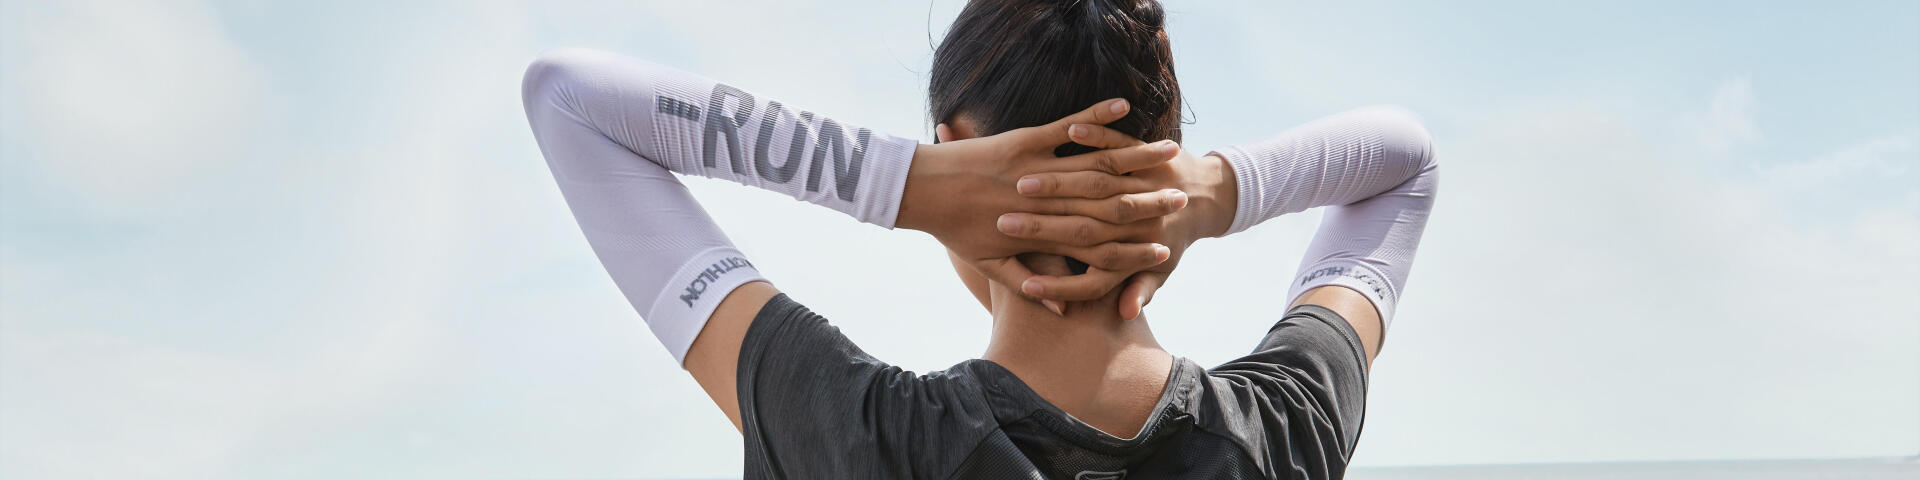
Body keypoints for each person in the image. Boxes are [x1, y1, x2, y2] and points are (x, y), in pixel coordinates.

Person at [519, 0, 1436, 477]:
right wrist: (1217, 192)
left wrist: (905, 184)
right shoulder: (1283, 426)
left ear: (958, 156)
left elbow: (568, 99)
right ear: (1167, 163)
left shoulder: (851, 434)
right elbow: (1404, 160)